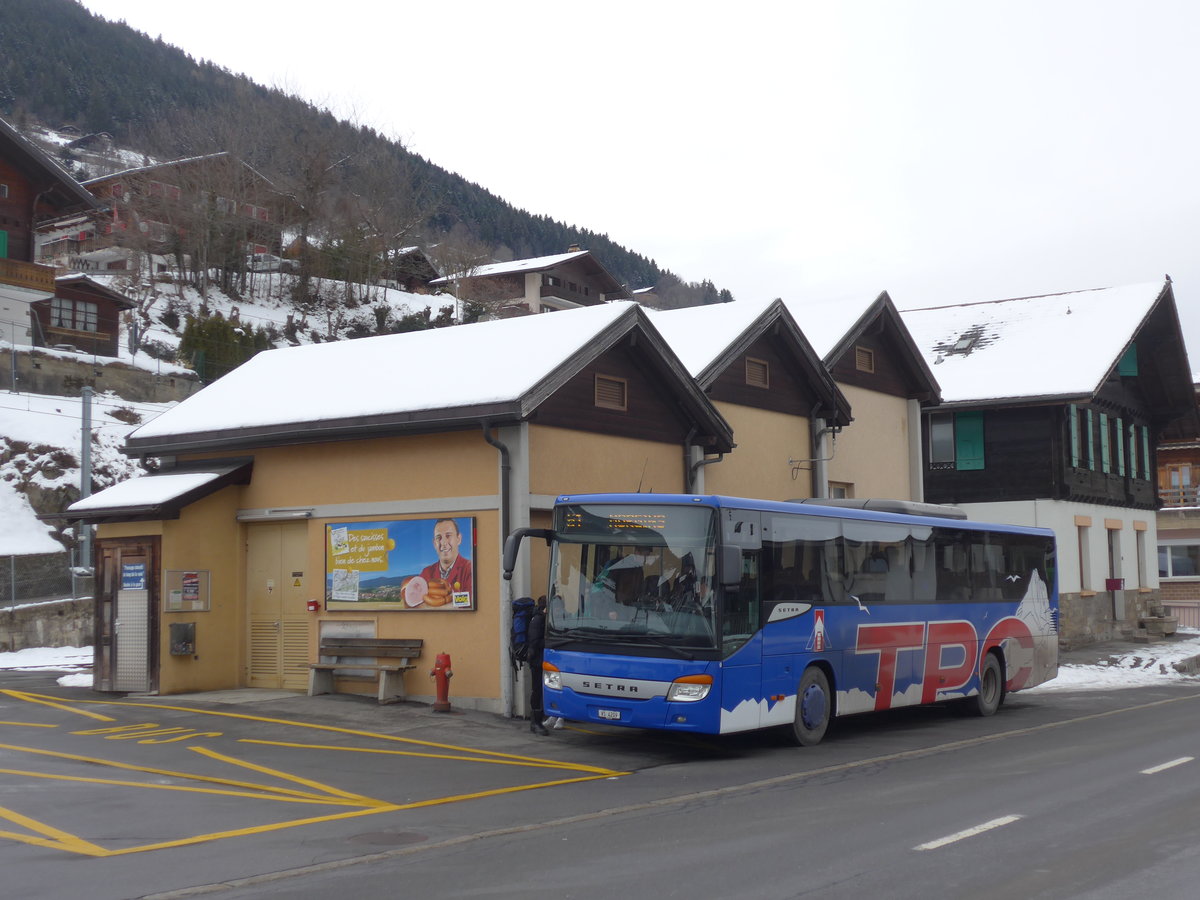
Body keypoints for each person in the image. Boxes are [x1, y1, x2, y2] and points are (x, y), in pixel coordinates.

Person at [419, 518, 473, 594]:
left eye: (448, 535)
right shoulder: (426, 573)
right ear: (434, 544)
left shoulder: (470, 569)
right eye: (438, 537)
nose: (443, 542)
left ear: (459, 539)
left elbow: (471, 602)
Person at [528, 596, 549, 735]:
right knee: (537, 690)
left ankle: (537, 721)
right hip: (537, 661)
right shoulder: (539, 619)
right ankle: (536, 722)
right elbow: (535, 642)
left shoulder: (540, 619)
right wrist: (548, 642)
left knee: (540, 690)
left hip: (540, 660)